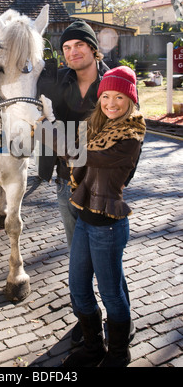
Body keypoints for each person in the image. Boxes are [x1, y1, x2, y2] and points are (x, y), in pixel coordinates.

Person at [62, 66, 146, 368]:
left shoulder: (131, 134)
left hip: (109, 227)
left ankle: (119, 353)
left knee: (111, 295)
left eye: (120, 96)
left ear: (131, 100)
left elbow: (88, 155)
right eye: (106, 96)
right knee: (79, 288)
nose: (111, 103)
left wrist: (53, 138)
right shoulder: (94, 128)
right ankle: (94, 347)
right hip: (85, 220)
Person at [38, 20, 109, 345]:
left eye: (79, 45)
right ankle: (87, 320)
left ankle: (119, 323)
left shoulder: (112, 84)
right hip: (66, 185)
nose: (72, 52)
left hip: (102, 188)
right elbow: (25, 87)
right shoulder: (60, 81)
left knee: (107, 265)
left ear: (93, 48)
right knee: (77, 260)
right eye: (66, 47)